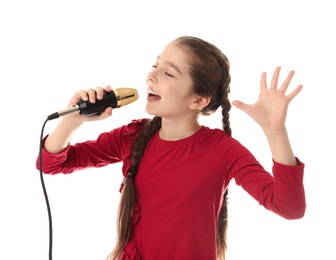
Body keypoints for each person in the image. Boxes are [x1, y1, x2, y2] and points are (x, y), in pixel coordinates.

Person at [36, 36, 306, 260]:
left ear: (198, 100)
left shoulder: (223, 150)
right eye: (155, 65)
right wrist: (71, 123)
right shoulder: (132, 136)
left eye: (168, 72)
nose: (151, 75)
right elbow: (50, 163)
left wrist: (275, 132)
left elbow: (290, 207)